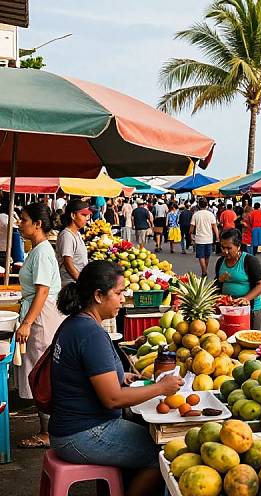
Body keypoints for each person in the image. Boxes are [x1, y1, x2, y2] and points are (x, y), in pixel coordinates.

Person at [49, 261, 183, 496]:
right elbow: (112, 398)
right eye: (119, 293)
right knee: (160, 455)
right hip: (82, 434)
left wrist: (121, 376)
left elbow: (87, 375)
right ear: (99, 295)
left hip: (68, 428)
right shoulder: (90, 333)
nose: (123, 299)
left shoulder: (74, 323)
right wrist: (162, 387)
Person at [15, 203, 64, 448]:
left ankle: (47, 433)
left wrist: (27, 322)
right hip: (38, 315)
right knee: (38, 373)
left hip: (42, 318)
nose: (19, 223)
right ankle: (47, 429)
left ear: (38, 224)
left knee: (41, 375)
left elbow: (42, 291)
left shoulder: (43, 251)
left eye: (23, 219)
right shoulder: (37, 250)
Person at [215, 229, 261, 330]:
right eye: (222, 247)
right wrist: (219, 280)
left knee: (249, 340)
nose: (225, 251)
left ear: (238, 246)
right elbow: (216, 285)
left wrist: (246, 298)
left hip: (250, 310)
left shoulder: (250, 261)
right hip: (228, 309)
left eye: (229, 248)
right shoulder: (220, 261)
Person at [56, 200, 91, 287]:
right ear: (73, 215)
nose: (87, 218)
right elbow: (68, 264)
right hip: (70, 285)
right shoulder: (67, 236)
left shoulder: (77, 234)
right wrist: (82, 283)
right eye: (83, 215)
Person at [190, 198, 219, 277]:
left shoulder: (196, 215)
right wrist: (217, 237)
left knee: (201, 256)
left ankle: (204, 271)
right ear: (207, 205)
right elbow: (215, 227)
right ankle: (204, 270)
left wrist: (190, 234)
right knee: (207, 256)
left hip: (199, 239)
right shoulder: (211, 214)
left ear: (199, 205)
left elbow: (192, 227)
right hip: (209, 238)